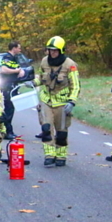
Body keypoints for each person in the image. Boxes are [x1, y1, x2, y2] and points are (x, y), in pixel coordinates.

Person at [33, 36, 80, 167]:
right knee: (46, 128)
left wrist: (72, 101)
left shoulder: (70, 65)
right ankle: (49, 155)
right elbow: (41, 78)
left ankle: (61, 156)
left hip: (62, 102)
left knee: (61, 132)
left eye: (55, 50)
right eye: (50, 50)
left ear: (61, 51)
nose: (52, 53)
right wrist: (32, 82)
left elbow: (75, 85)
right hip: (46, 99)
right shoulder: (44, 62)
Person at [0, 41, 31, 139]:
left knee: (11, 109)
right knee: (9, 109)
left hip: (13, 86)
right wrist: (18, 70)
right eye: (19, 48)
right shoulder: (7, 57)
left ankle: (7, 130)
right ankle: (7, 131)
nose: (20, 50)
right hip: (8, 87)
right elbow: (3, 69)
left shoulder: (13, 58)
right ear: (14, 48)